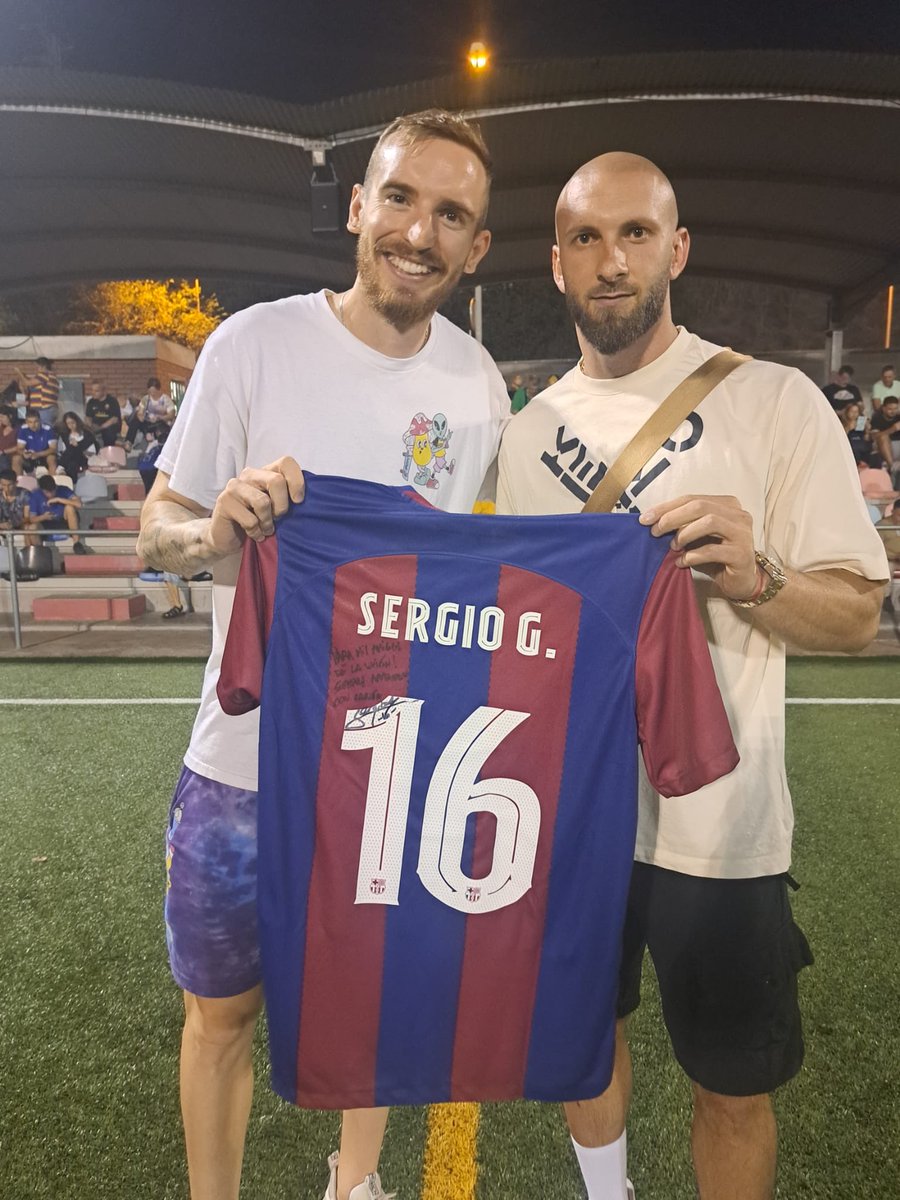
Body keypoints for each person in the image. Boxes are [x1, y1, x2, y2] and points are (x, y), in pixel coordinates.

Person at [496, 152, 888, 1200]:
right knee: (583, 1043)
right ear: (556, 262)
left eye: (634, 234)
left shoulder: (774, 400)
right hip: (569, 821)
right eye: (586, 237)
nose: (610, 260)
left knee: (733, 1087)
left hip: (722, 829)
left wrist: (756, 576)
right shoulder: (524, 434)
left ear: (677, 248)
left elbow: (856, 614)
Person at [136, 108, 508, 1200]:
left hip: (392, 767)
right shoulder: (252, 343)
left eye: (451, 215)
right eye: (399, 198)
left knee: (374, 1002)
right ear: (358, 208)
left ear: (476, 248)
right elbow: (156, 535)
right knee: (222, 1013)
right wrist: (211, 535)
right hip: (243, 765)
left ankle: (356, 1185)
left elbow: (471, 575)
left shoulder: (478, 387)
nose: (418, 231)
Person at [26, 473, 86, 552]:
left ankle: (76, 543)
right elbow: (32, 519)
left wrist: (59, 499)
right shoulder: (35, 495)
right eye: (47, 492)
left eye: (53, 491)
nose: (50, 494)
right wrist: (44, 517)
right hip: (45, 524)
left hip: (63, 522)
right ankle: (40, 552)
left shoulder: (64, 490)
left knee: (70, 508)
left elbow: (79, 504)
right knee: (31, 528)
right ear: (42, 490)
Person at [125, 376, 177, 450]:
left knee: (160, 426)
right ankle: (129, 442)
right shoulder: (145, 399)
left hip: (160, 422)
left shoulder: (166, 399)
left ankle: (153, 438)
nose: (152, 394)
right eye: (150, 392)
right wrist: (141, 415)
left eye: (154, 392)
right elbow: (140, 412)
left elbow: (171, 415)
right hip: (148, 423)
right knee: (136, 418)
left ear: (158, 390)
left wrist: (160, 417)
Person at [14, 356, 60, 426]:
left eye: (37, 367)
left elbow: (27, 383)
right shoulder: (52, 376)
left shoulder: (44, 375)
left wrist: (19, 373)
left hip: (44, 409)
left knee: (44, 431)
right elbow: (30, 382)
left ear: (43, 366)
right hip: (49, 409)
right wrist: (24, 376)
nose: (36, 370)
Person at [56, 411, 98, 480]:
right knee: (72, 464)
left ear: (77, 421)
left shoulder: (87, 435)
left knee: (73, 447)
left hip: (83, 459)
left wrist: (77, 446)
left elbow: (92, 453)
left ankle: (60, 467)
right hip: (69, 461)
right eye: (68, 423)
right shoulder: (64, 436)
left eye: (73, 423)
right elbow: (61, 452)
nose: (71, 425)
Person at [16, 409, 57, 474]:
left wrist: (38, 454)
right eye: (30, 422)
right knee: (16, 459)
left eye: (36, 421)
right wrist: (24, 453)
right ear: (26, 422)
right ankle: (18, 482)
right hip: (29, 456)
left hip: (44, 455)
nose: (33, 425)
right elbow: (19, 448)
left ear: (40, 420)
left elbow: (53, 449)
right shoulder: (23, 429)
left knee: (52, 458)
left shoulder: (48, 429)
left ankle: (52, 482)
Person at [84, 380, 123, 447]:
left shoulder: (112, 401)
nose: (93, 393)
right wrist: (90, 426)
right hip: (95, 426)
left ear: (104, 391)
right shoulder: (91, 402)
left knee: (109, 432)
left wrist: (101, 427)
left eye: (96, 391)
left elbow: (114, 419)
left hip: (109, 427)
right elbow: (88, 417)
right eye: (92, 390)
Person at [870, 394, 900, 481]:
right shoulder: (877, 417)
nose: (893, 411)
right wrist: (893, 429)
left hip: (898, 444)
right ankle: (892, 469)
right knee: (883, 437)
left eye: (895, 408)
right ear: (884, 408)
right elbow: (874, 436)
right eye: (890, 409)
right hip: (884, 446)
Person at [838, 400, 874, 464]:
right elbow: (841, 439)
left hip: (862, 447)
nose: (854, 414)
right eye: (852, 411)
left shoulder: (861, 422)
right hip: (849, 448)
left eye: (856, 412)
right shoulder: (842, 423)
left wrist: (867, 431)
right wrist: (849, 428)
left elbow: (866, 439)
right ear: (847, 412)